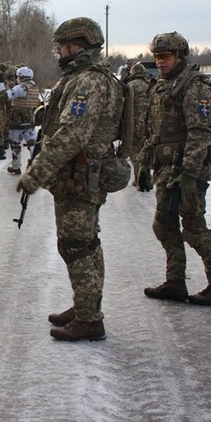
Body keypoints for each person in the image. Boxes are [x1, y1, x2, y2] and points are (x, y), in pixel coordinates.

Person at [16, 17, 124, 341]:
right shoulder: (85, 77)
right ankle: (85, 306)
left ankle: (89, 320)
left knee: (76, 246)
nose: (59, 52)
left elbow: (72, 134)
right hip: (82, 174)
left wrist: (36, 174)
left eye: (62, 46)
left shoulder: (88, 81)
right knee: (87, 243)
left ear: (78, 46)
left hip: (80, 175)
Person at [136, 32, 211, 306]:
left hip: (189, 171)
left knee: (193, 227)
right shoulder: (160, 86)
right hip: (165, 169)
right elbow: (153, 132)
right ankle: (175, 281)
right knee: (164, 225)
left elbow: (200, 134)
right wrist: (143, 163)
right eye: (157, 57)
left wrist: (189, 174)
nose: (160, 62)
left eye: (166, 56)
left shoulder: (195, 87)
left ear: (180, 56)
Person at [2, 66, 40, 174]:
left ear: (20, 76)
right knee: (32, 143)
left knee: (15, 143)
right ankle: (35, 167)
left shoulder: (20, 88)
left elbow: (6, 97)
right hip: (30, 119)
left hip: (17, 120)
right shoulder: (34, 87)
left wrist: (1, 87)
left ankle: (16, 166)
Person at [126, 63, 152, 187]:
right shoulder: (149, 85)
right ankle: (147, 177)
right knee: (146, 151)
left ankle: (138, 179)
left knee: (135, 152)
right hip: (148, 123)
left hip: (134, 123)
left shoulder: (130, 86)